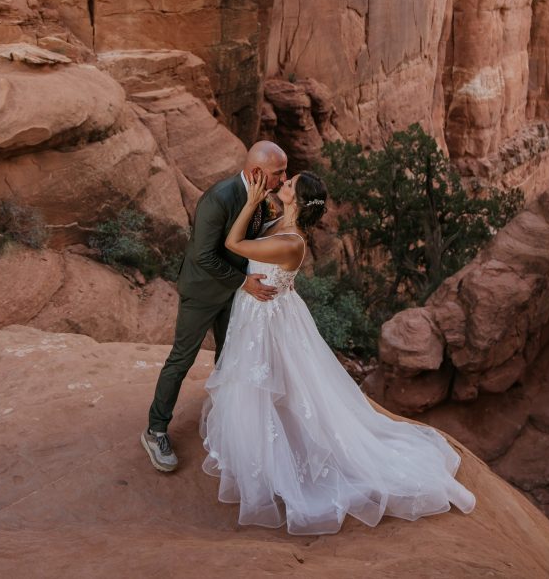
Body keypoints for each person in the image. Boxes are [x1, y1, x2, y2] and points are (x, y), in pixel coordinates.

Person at [200, 169, 476, 536]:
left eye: (288, 185)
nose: (281, 185)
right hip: (262, 310)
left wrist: (249, 204)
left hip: (269, 319)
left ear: (297, 200)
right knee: (269, 382)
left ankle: (284, 458)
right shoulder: (283, 220)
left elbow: (233, 244)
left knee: (276, 382)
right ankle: (263, 447)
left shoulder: (292, 241)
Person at [141, 141, 288, 473]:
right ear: (256, 173)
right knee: (181, 358)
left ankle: (226, 422)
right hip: (203, 292)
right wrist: (243, 282)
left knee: (229, 355)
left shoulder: (266, 200)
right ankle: (155, 430)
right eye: (278, 173)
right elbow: (203, 255)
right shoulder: (219, 198)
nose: (283, 178)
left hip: (235, 294)